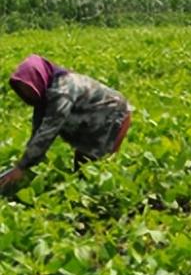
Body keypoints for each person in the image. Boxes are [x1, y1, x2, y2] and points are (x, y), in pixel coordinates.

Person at [0, 54, 131, 189]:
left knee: (95, 173)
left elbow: (48, 131)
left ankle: (109, 201)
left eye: (29, 89)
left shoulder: (62, 91)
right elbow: (38, 132)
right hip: (90, 125)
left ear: (39, 79)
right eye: (23, 91)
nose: (28, 94)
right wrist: (24, 164)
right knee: (82, 172)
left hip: (113, 117)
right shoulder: (45, 93)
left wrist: (22, 167)